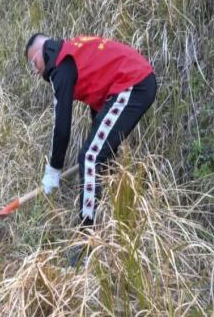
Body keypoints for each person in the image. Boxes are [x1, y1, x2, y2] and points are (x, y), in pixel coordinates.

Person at [25, 34, 156, 264]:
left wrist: (53, 169)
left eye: (34, 63)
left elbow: (61, 126)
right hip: (130, 84)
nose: (35, 71)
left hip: (133, 83)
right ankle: (113, 223)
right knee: (98, 157)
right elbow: (99, 93)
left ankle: (87, 244)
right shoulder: (71, 54)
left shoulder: (60, 65)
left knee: (90, 157)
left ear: (43, 50)